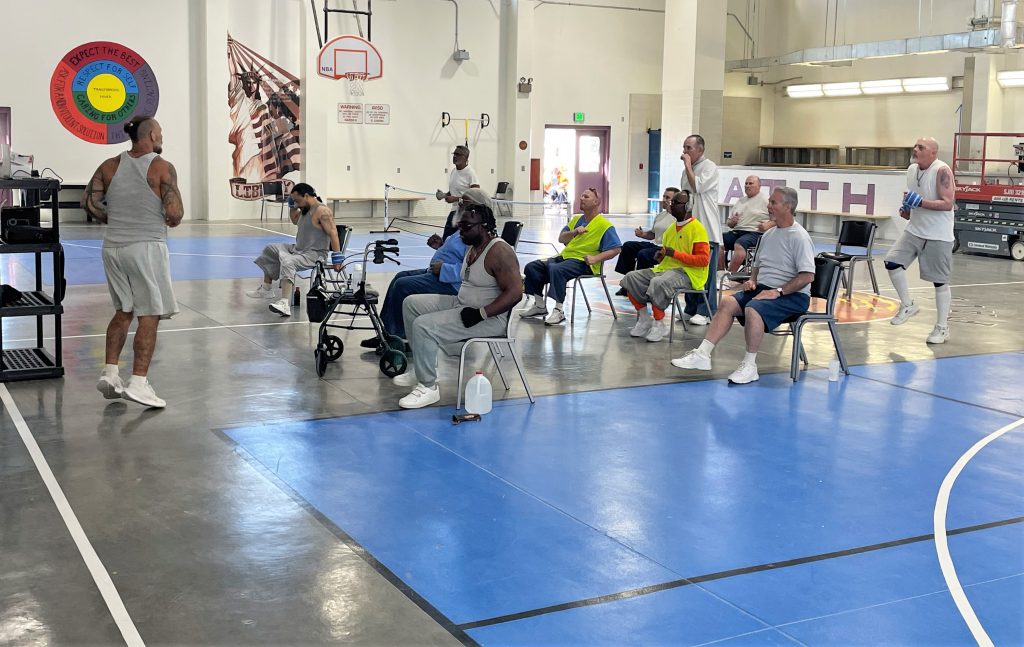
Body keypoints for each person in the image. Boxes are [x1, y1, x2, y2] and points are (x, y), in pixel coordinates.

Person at [82, 116, 183, 408]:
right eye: (160, 133)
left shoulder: (109, 166)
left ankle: (110, 372)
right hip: (146, 247)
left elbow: (87, 202)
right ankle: (138, 382)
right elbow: (175, 214)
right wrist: (167, 217)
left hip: (113, 247)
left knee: (123, 310)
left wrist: (113, 220)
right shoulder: (162, 167)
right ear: (151, 135)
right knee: (149, 315)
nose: (161, 137)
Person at [670, 187, 815, 385]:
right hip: (764, 288)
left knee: (752, 309)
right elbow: (756, 265)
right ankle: (702, 355)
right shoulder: (769, 234)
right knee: (728, 303)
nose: (768, 206)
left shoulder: (799, 236)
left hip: (793, 296)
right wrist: (752, 280)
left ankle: (750, 365)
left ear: (788, 207)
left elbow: (807, 276)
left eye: (773, 202)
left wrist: (778, 291)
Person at [392, 204, 523, 409]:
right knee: (411, 304)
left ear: (484, 226)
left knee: (423, 325)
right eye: (460, 225)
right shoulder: (472, 246)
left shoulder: (499, 251)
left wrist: (482, 313)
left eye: (466, 226)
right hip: (463, 304)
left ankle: (428, 387)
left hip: (489, 318)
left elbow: (516, 292)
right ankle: (423, 366)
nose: (460, 231)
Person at [360, 188, 493, 348]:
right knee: (400, 277)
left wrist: (444, 269)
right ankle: (386, 332)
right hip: (438, 274)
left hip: (451, 284)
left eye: (465, 203)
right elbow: (460, 255)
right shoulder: (465, 229)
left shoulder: (478, 235)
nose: (460, 206)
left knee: (403, 286)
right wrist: (442, 247)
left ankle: (398, 338)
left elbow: (472, 269)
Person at [884, 137, 956, 344]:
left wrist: (921, 202)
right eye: (915, 146)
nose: (915, 149)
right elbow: (912, 197)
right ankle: (907, 304)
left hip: (938, 234)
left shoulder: (942, 171)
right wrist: (907, 207)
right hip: (915, 229)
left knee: (939, 281)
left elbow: (948, 203)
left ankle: (942, 328)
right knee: (892, 261)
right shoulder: (912, 169)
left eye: (921, 147)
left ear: (933, 153)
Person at [520, 188, 622, 325]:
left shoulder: (605, 226)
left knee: (557, 269)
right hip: (564, 257)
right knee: (532, 267)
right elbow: (562, 238)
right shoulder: (576, 220)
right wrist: (574, 232)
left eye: (586, 197)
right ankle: (539, 305)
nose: (582, 198)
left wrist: (595, 259)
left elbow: (616, 249)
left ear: (596, 202)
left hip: (583, 262)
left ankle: (559, 310)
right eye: (581, 195)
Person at [620, 189, 709, 343]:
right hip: (666, 269)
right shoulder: (670, 229)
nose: (671, 204)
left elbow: (703, 260)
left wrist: (674, 254)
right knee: (631, 278)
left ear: (687, 207)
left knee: (658, 282)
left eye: (675, 202)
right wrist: (660, 257)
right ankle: (644, 318)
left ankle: (659, 323)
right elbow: (666, 257)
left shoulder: (697, 229)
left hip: (689, 273)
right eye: (671, 201)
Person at [247, 183, 343, 316]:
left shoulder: (322, 211)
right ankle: (266, 289)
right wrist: (293, 206)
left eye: (298, 200)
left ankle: (284, 303)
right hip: (298, 249)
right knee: (270, 249)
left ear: (307, 196)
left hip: (314, 254)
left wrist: (338, 259)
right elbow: (294, 220)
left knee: (288, 261)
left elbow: (333, 233)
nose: (297, 203)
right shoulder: (305, 209)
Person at [678, 134, 721, 325]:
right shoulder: (687, 171)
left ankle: (707, 310)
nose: (685, 152)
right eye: (684, 148)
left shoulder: (709, 167)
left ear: (700, 150)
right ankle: (691, 307)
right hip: (690, 229)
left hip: (707, 229)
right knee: (689, 270)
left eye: (689, 148)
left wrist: (687, 166)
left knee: (707, 273)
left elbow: (697, 187)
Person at [614, 187, 680, 295]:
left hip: (666, 249)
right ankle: (628, 284)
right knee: (627, 246)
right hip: (654, 245)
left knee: (643, 254)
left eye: (667, 197)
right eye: (663, 196)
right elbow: (653, 234)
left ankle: (643, 289)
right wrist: (642, 234)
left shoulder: (678, 217)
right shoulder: (660, 215)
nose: (664, 199)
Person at [722, 175, 772, 274]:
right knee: (718, 241)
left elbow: (779, 218)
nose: (747, 186)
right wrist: (732, 222)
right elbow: (729, 223)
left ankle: (729, 275)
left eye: (751, 183)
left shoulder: (767, 200)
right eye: (746, 183)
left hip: (755, 232)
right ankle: (719, 273)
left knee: (740, 243)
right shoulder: (740, 201)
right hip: (737, 231)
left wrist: (769, 225)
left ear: (759, 186)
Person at [437, 145, 480, 240]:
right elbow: (454, 191)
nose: (455, 156)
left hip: (466, 213)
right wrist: (444, 195)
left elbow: (475, 198)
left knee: (454, 241)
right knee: (447, 240)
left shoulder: (470, 173)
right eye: (454, 154)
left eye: (458, 154)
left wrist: (455, 199)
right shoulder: (454, 171)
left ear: (465, 157)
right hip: (455, 211)